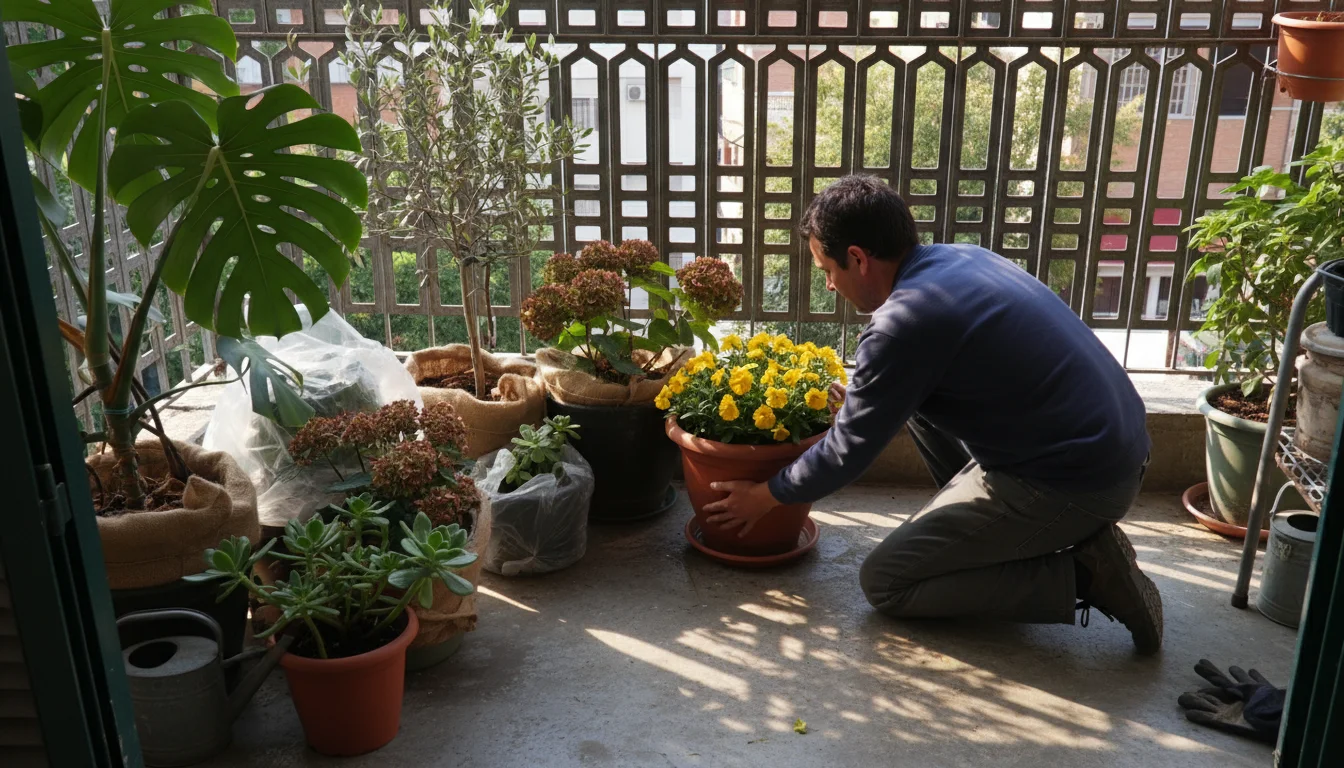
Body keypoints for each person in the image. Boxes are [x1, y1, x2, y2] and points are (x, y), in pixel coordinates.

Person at [704, 175, 1163, 653]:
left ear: (858, 259)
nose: (829, 284)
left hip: (1078, 482)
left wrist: (767, 495)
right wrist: (870, 399)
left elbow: (847, 453)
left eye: (828, 269)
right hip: (1114, 447)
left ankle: (1086, 575)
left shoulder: (904, 323)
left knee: (886, 582)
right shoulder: (961, 257)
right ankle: (994, 541)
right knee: (917, 407)